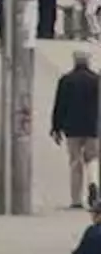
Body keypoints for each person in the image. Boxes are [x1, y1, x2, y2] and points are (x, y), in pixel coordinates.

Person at [53, 50, 101, 209]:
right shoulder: (96, 80)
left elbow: (59, 105)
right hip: (93, 127)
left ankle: (76, 199)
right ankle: (93, 183)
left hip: (72, 127)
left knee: (75, 162)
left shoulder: (66, 80)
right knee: (92, 159)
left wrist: (56, 127)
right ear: (88, 62)